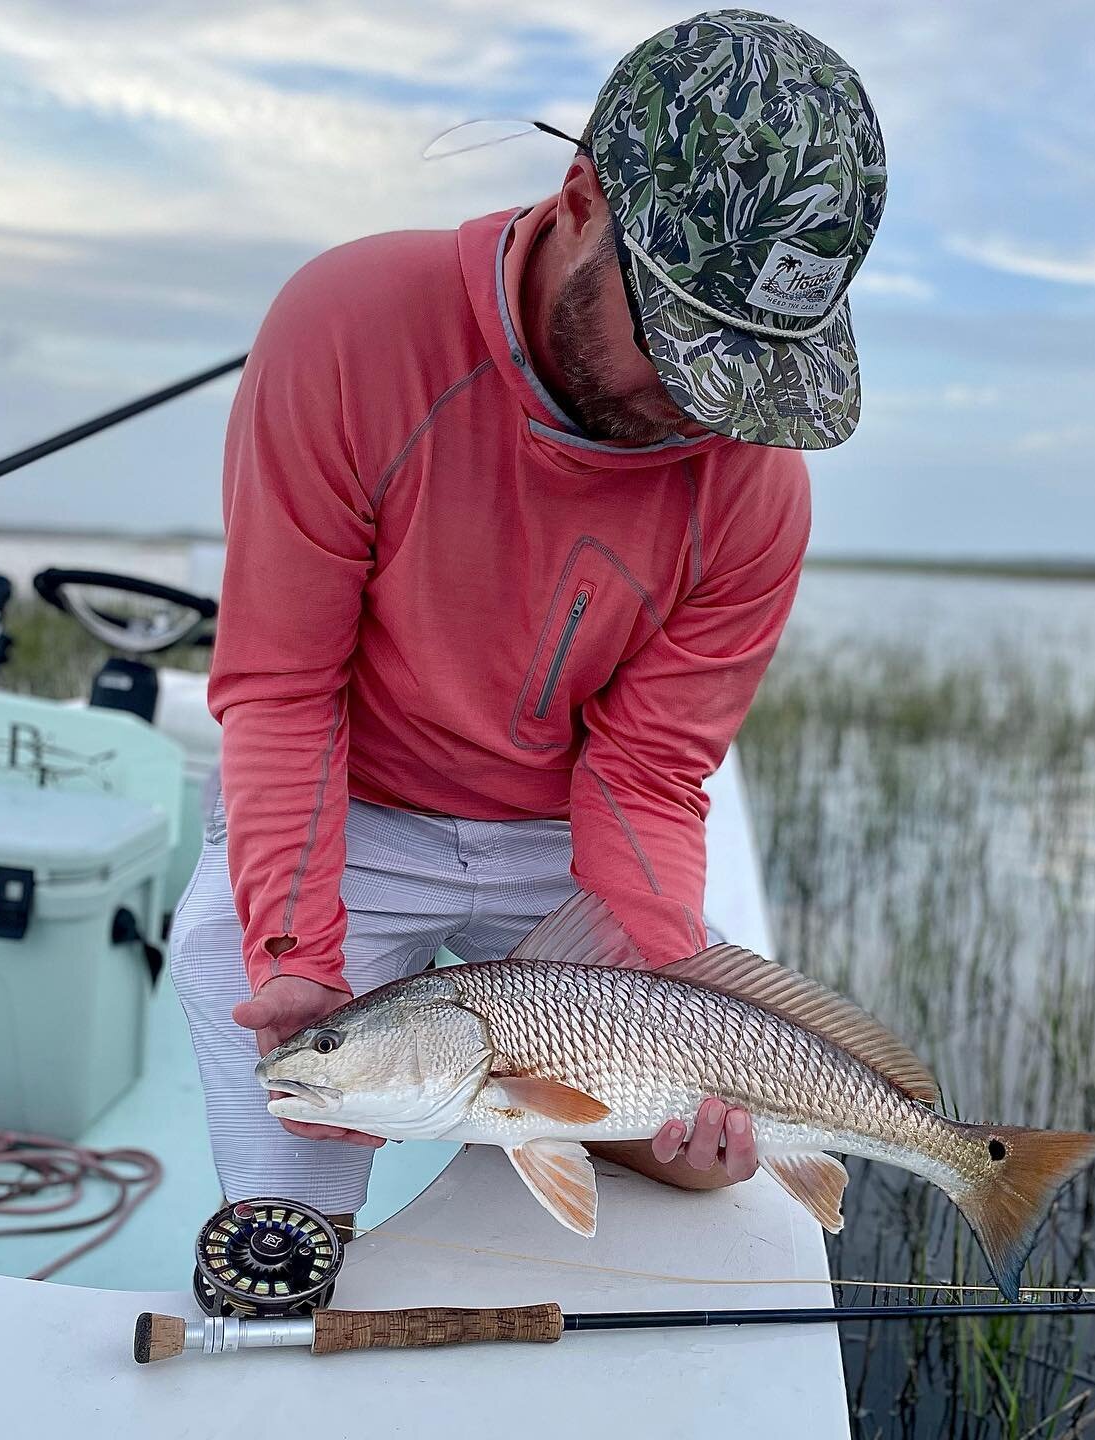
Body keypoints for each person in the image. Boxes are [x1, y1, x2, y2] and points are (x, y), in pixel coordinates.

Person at [169, 8, 886, 1215]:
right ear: (580, 198)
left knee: (694, 1168)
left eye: (750, 362)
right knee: (291, 1188)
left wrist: (675, 992)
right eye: (681, 333)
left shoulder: (757, 485)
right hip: (356, 807)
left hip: (566, 837)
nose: (702, 405)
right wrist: (295, 954)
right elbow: (284, 689)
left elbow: (650, 768)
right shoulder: (348, 328)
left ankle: (618, 1109)